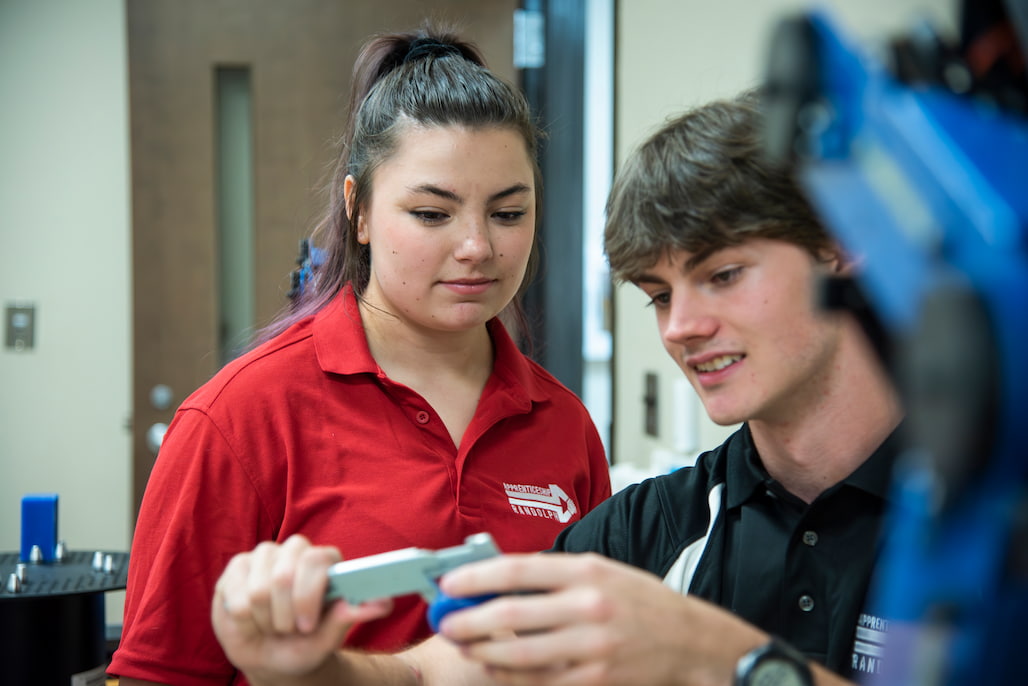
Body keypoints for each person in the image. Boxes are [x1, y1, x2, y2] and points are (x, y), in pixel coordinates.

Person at [210, 90, 904, 686]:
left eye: (723, 275)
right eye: (659, 296)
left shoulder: (992, 521)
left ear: (838, 245)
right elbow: (432, 673)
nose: (682, 329)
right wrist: (309, 668)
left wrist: (717, 653)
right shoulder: (651, 532)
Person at [109, 25, 611, 686]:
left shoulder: (563, 425)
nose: (477, 248)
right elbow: (157, 676)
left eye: (508, 213)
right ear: (360, 212)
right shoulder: (239, 419)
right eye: (433, 214)